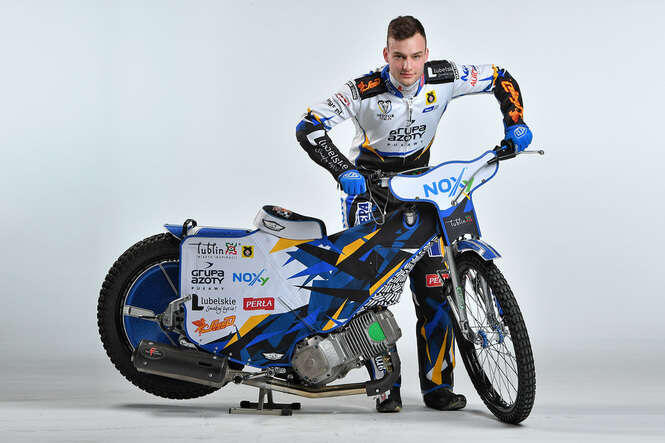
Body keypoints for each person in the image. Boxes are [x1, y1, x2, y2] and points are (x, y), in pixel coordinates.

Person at [295, 15, 533, 413]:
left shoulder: (445, 77)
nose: (408, 66)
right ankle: (385, 385)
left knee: (436, 289)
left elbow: (500, 77)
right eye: (399, 56)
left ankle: (438, 387)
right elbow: (308, 126)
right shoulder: (362, 90)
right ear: (386, 54)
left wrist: (516, 123)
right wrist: (343, 170)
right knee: (370, 298)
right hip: (371, 193)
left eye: (416, 56)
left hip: (424, 192)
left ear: (427, 54)